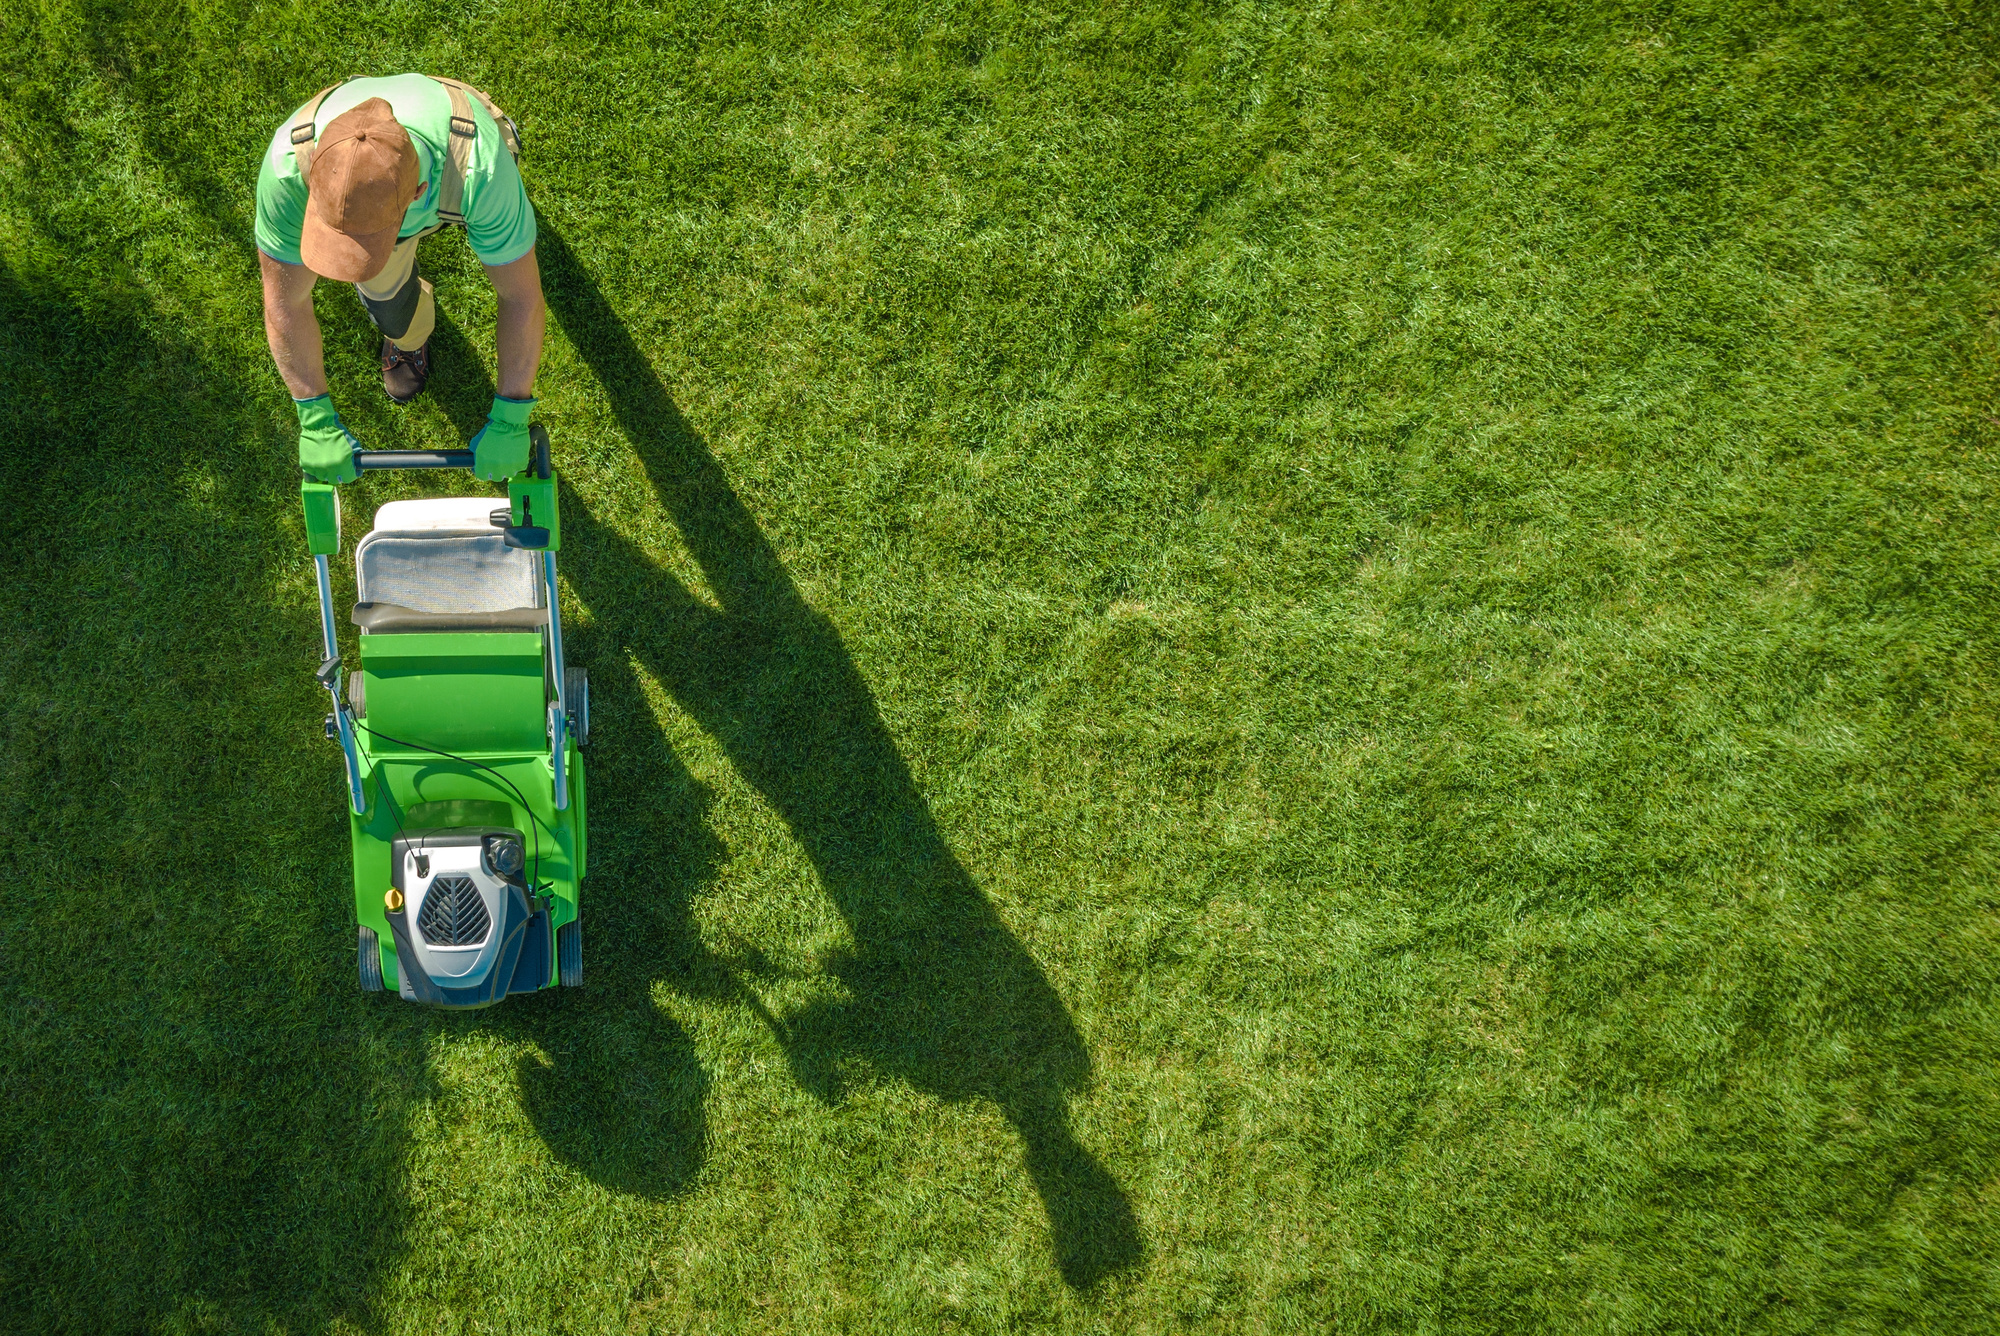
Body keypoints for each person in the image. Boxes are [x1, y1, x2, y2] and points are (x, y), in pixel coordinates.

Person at [255, 74, 545, 484]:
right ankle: (407, 338)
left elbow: (520, 296)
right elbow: (285, 302)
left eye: (363, 240)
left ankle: (498, 133)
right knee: (391, 310)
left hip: (457, 164)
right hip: (422, 193)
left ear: (417, 192)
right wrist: (314, 418)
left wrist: (511, 416)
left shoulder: (479, 169)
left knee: (505, 229)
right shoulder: (288, 171)